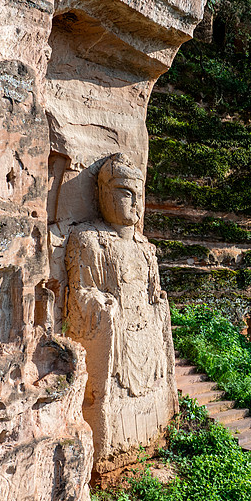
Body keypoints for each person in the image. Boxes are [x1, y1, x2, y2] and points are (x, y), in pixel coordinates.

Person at [64, 153, 176, 471]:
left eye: (138, 195)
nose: (134, 202)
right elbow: (82, 293)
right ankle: (110, 449)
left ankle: (154, 428)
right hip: (118, 340)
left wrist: (158, 304)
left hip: (146, 340)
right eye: (125, 193)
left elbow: (154, 294)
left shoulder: (145, 248)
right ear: (103, 194)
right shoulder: (89, 240)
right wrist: (100, 303)